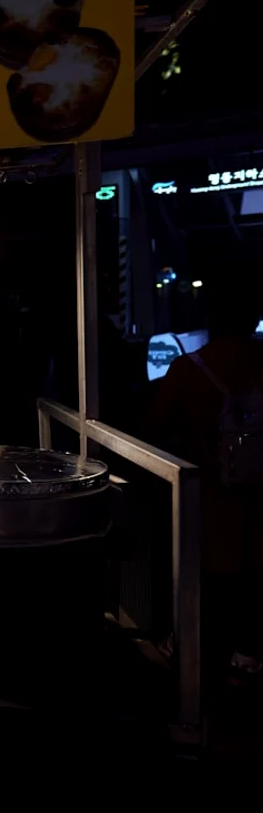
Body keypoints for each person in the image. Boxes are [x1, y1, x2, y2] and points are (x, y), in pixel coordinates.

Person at [148, 280, 263, 685]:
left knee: (208, 584)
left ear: (208, 317)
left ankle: (197, 664)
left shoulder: (188, 369)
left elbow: (155, 428)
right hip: (258, 507)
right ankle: (247, 658)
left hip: (211, 505)